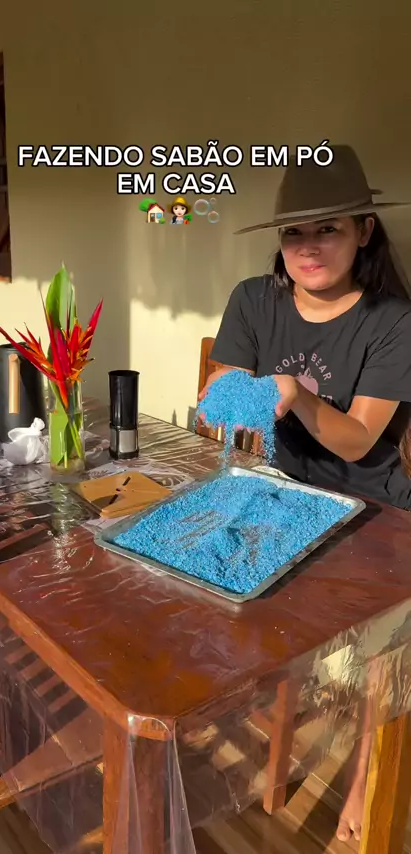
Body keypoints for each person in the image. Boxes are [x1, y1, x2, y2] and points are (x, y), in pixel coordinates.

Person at [198, 145, 411, 842]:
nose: (309, 247)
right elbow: (223, 388)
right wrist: (227, 391)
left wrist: (295, 393)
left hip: (375, 511)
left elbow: (357, 441)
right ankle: (244, 716)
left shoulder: (392, 320)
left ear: (364, 231)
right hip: (283, 491)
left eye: (329, 229)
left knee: (384, 656)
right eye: (295, 232)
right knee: (201, 579)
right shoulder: (253, 299)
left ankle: (365, 780)